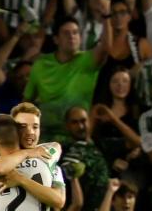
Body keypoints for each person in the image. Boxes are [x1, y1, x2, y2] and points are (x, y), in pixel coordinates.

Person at [26, 8, 114, 142]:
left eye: (75, 33)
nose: (72, 36)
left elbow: (106, 48)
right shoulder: (40, 64)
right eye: (66, 33)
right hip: (47, 136)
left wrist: (106, 16)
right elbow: (27, 101)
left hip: (78, 134)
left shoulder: (87, 60)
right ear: (56, 39)